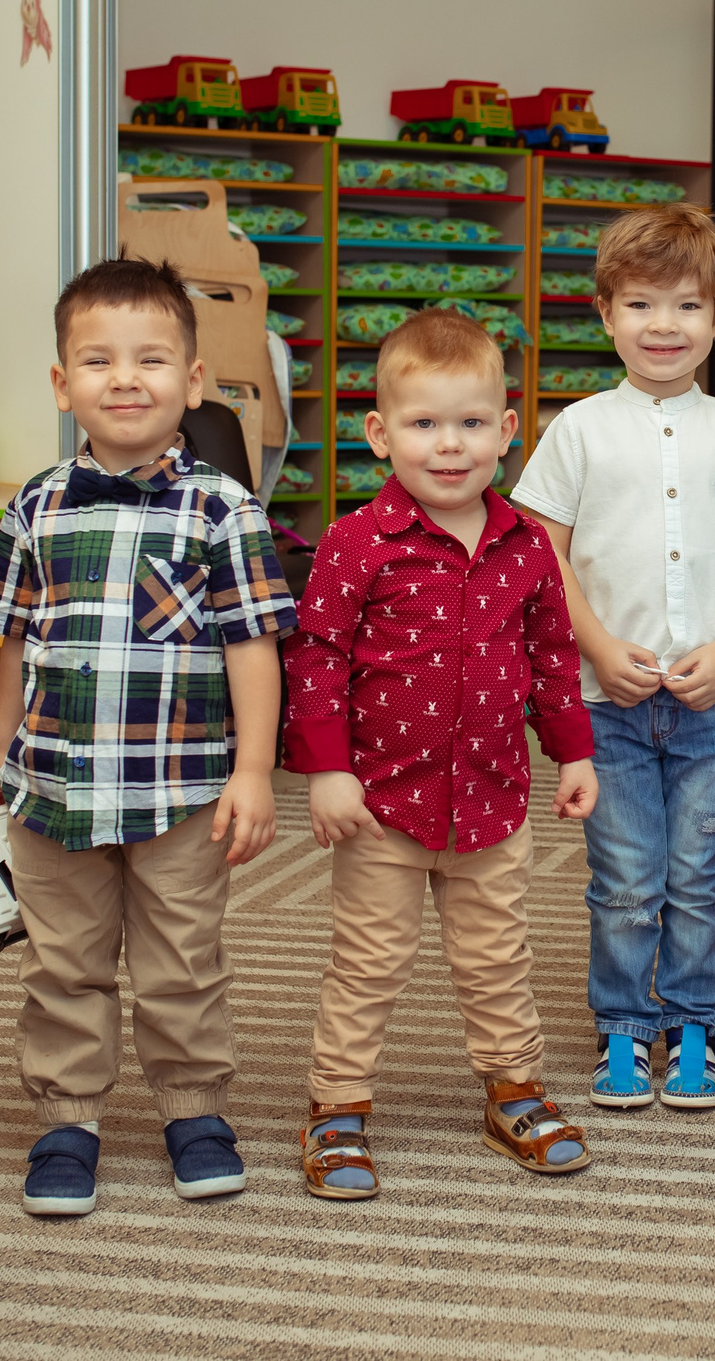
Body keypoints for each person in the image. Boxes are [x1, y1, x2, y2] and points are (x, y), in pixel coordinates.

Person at [0, 257, 294, 1217]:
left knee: (181, 959)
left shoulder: (223, 509)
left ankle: (194, 1107)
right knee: (61, 959)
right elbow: (17, 643)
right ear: (63, 383)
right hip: (52, 787)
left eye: (151, 359)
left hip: (182, 790)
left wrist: (254, 770)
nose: (125, 379)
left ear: (192, 382)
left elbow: (254, 648)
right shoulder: (34, 504)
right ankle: (66, 1117)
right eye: (98, 360)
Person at [284, 310, 601, 1199]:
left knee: (497, 954)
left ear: (507, 430)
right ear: (380, 434)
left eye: (470, 424)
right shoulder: (357, 541)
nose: (449, 446)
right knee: (370, 958)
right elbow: (316, 656)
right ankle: (336, 1104)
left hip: (495, 797)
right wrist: (328, 768)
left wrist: (572, 754)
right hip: (380, 802)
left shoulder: (529, 544)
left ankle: (514, 1088)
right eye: (424, 425)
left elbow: (552, 659)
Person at [512, 204, 715, 1111]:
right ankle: (625, 1026)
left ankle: (694, 1028)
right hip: (608, 699)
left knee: (700, 872)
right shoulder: (579, 428)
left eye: (686, 307)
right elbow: (542, 549)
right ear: (605, 315)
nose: (663, 326)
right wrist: (594, 643)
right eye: (640, 305)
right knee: (629, 877)